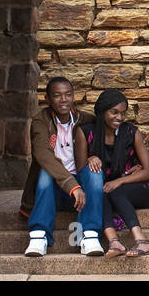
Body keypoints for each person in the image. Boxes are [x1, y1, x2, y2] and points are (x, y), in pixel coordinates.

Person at [21, 77, 105, 258]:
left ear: (73, 96)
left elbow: (112, 132)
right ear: (48, 99)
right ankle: (39, 236)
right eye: (57, 95)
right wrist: (72, 186)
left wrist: (135, 164)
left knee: (95, 173)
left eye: (68, 94)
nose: (64, 99)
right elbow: (43, 154)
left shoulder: (85, 119)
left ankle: (89, 235)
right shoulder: (40, 121)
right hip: (55, 191)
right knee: (45, 173)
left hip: (81, 193)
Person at [76, 89, 149, 259]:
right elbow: (81, 169)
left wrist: (119, 181)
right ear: (102, 111)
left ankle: (141, 240)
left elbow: (148, 172)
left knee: (111, 190)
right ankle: (114, 241)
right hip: (105, 188)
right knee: (101, 192)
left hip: (136, 186)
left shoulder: (130, 132)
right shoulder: (86, 132)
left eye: (122, 113)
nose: (119, 118)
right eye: (114, 112)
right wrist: (90, 158)